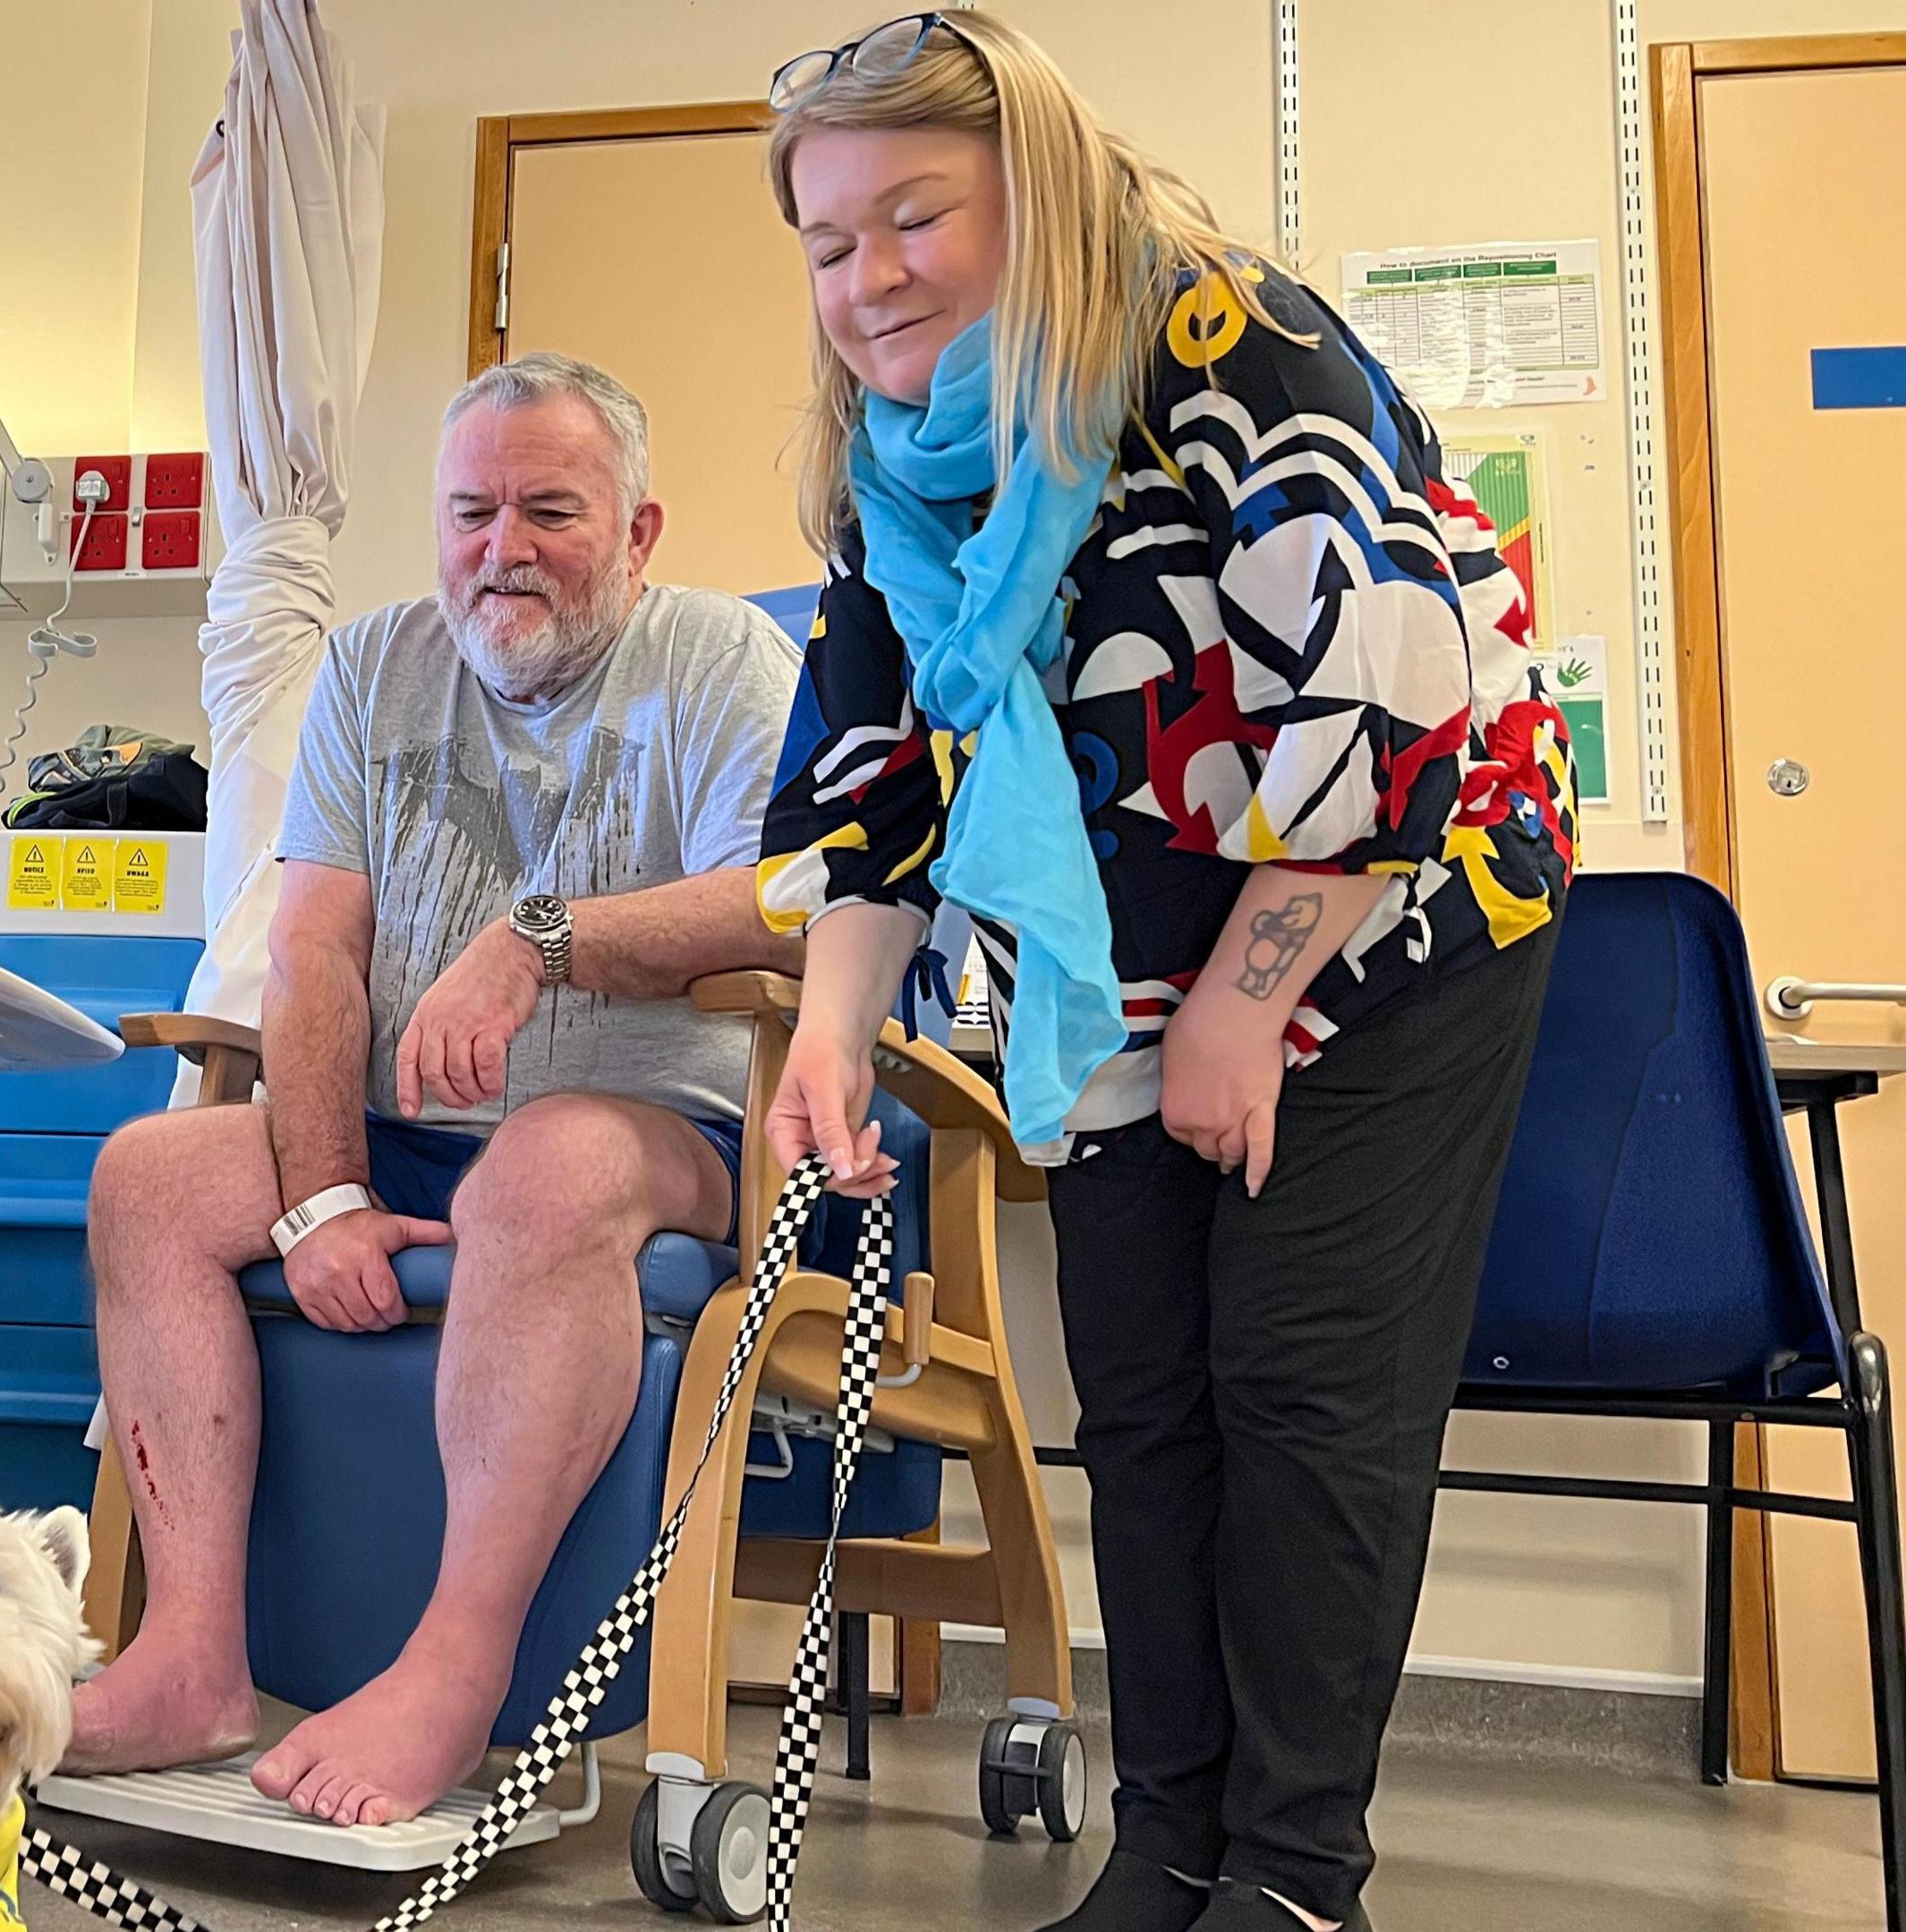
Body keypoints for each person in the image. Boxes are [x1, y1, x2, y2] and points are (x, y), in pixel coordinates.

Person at [753, 15, 1573, 1931]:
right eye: (824, 238)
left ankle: (1293, 1878)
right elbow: (871, 778)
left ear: (1029, 191)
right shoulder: (885, 467)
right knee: (1137, 1395)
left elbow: (1391, 682)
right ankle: (1174, 1846)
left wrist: (1245, 1004)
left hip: (1391, 922)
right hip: (1118, 962)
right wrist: (829, 1033)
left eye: (914, 218)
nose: (865, 280)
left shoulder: (1220, 338)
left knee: (1297, 1390)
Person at [62, 352, 805, 1826]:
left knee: (544, 1160)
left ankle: (455, 1674)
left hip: (663, 1135)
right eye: (471, 512)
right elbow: (318, 949)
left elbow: (783, 904)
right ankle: (193, 1649)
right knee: (149, 1180)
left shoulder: (723, 660)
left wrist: (542, 941)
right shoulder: (375, 665)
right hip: (407, 1140)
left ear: (641, 531)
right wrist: (324, 1194)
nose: (501, 551)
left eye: (550, 510)